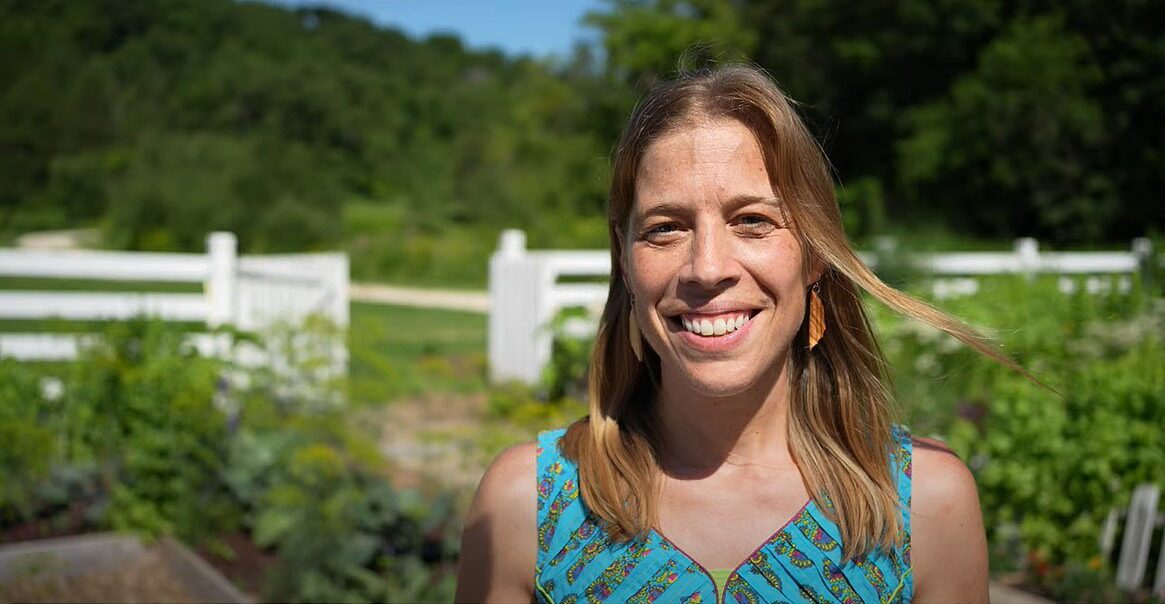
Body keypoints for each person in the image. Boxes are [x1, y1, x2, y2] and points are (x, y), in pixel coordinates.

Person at [456, 64, 1000, 603]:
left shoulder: (926, 504)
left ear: (816, 254)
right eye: (664, 228)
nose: (707, 268)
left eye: (753, 221)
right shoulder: (525, 507)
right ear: (624, 259)